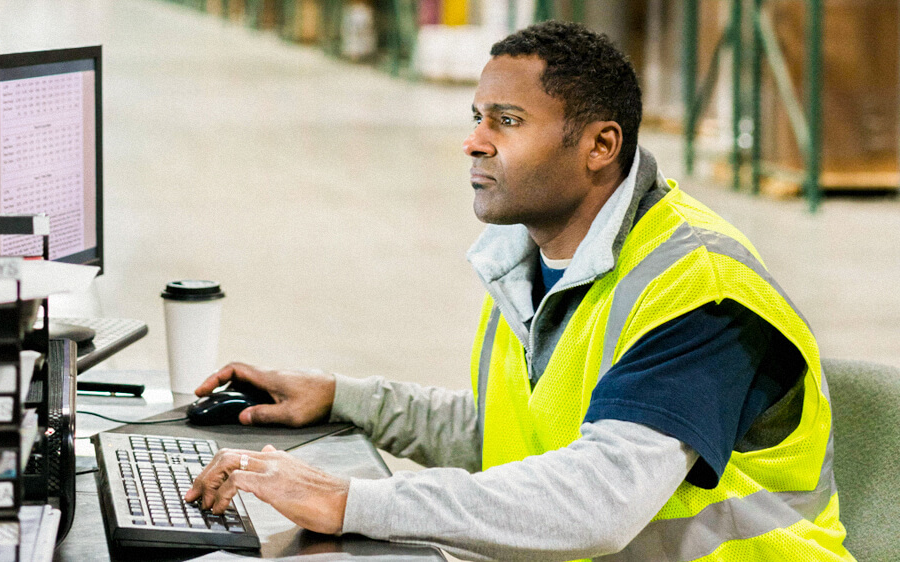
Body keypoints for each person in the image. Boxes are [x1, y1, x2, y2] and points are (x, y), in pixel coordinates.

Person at [185, 21, 852, 561]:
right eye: (478, 116)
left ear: (600, 145)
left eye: (506, 121)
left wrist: (351, 502)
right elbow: (515, 437)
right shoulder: (533, 259)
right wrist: (344, 398)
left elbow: (600, 499)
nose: (473, 142)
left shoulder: (700, 290)